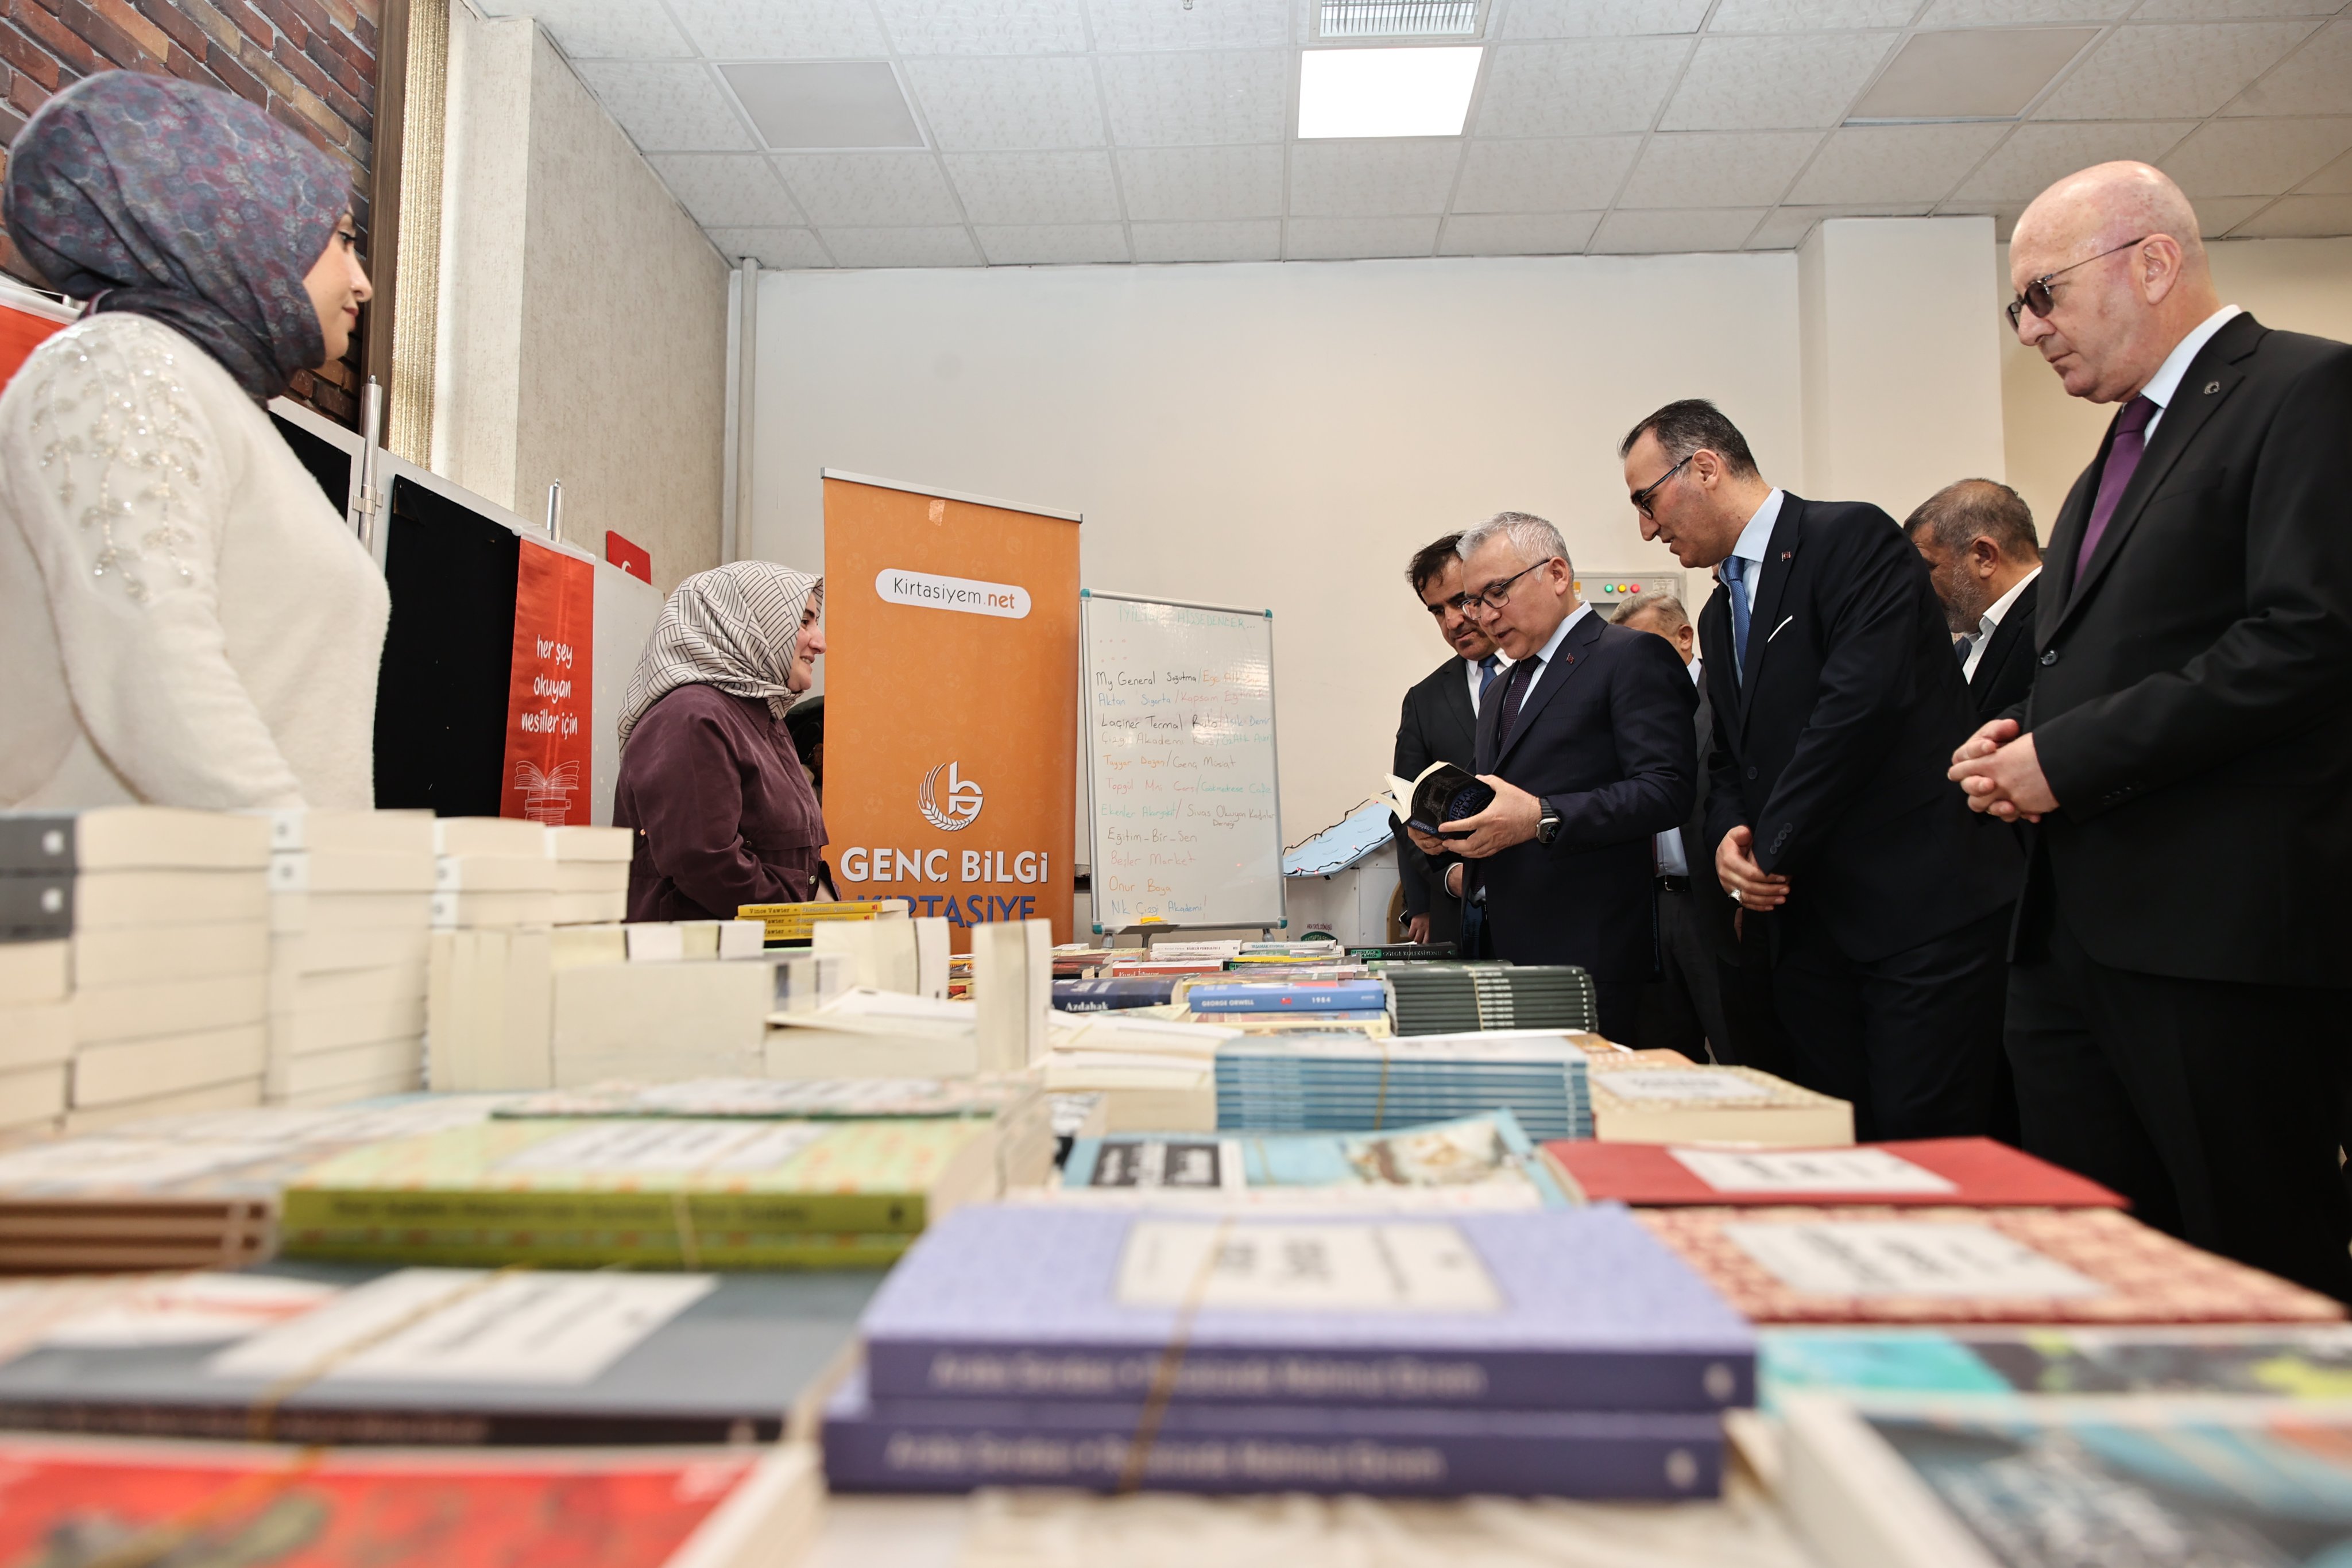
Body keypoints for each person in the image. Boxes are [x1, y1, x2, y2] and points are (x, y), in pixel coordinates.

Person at [1949, 161, 2352, 1301]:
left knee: (2249, 1272)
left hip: (2217, 941)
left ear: (2153, 262)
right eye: (2017, 308)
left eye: (2042, 295)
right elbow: (2127, 659)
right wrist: (2020, 734)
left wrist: (2065, 757)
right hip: (2072, 942)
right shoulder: (2102, 467)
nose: (2029, 329)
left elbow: (2307, 638)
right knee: (2102, 1275)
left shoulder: (2305, 390)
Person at [1622, 398, 2018, 1140]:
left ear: (1704, 467)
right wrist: (1729, 835)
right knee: (1831, 1141)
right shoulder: (1718, 614)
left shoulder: (1849, 540)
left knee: (1921, 1145)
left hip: (1913, 914)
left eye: (1648, 500)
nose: (1647, 527)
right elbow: (1730, 755)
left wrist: (1767, 847)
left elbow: (1855, 715)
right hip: (1808, 926)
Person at [0, 72, 384, 810]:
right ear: (248, 224)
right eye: (342, 240)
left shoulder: (214, 399)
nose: (361, 281)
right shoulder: (120, 366)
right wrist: (303, 865)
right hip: (176, 881)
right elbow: (155, 669)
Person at [1406, 512, 1695, 1044]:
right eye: (1475, 601)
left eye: (1497, 592)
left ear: (1557, 574)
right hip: (1504, 948)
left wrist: (1543, 816)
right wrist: (1447, 830)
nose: (1483, 615)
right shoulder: (1501, 689)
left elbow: (1666, 790)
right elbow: (1502, 804)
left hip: (1591, 953)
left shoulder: (1629, 655)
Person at [613, 562, 829, 923]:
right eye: (804, 621)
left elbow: (790, 860)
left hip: (756, 948)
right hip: (699, 955)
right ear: (747, 625)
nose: (820, 642)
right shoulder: (691, 717)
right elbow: (705, 863)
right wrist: (801, 919)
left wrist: (830, 911)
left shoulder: (763, 719)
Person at [1610, 591, 1735, 1061]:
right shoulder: (1627, 715)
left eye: (1645, 647)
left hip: (1716, 904)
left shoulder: (1727, 698)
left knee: (1736, 1042)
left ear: (1684, 637)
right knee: (1663, 1056)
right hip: (1649, 910)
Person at [1389, 532, 1503, 950]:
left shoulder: (1544, 672)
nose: (1452, 621)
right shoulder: (1424, 700)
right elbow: (1405, 809)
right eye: (1437, 611)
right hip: (1461, 915)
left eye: (1461, 601)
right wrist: (1443, 881)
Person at [1906, 479, 2043, 724]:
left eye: (1928, 567)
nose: (1920, 588)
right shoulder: (1968, 643)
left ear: (1984, 557)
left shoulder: (2058, 625)